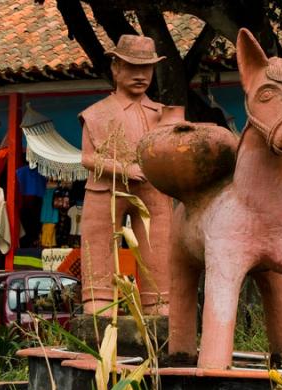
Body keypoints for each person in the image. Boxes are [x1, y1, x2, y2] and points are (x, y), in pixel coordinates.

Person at [79, 34, 178, 316]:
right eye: (131, 67)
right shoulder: (96, 113)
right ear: (116, 69)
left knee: (157, 245)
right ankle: (98, 299)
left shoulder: (164, 114)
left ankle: (158, 301)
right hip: (104, 189)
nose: (139, 75)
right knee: (98, 242)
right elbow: (87, 157)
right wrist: (124, 168)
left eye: (145, 69)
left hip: (153, 190)